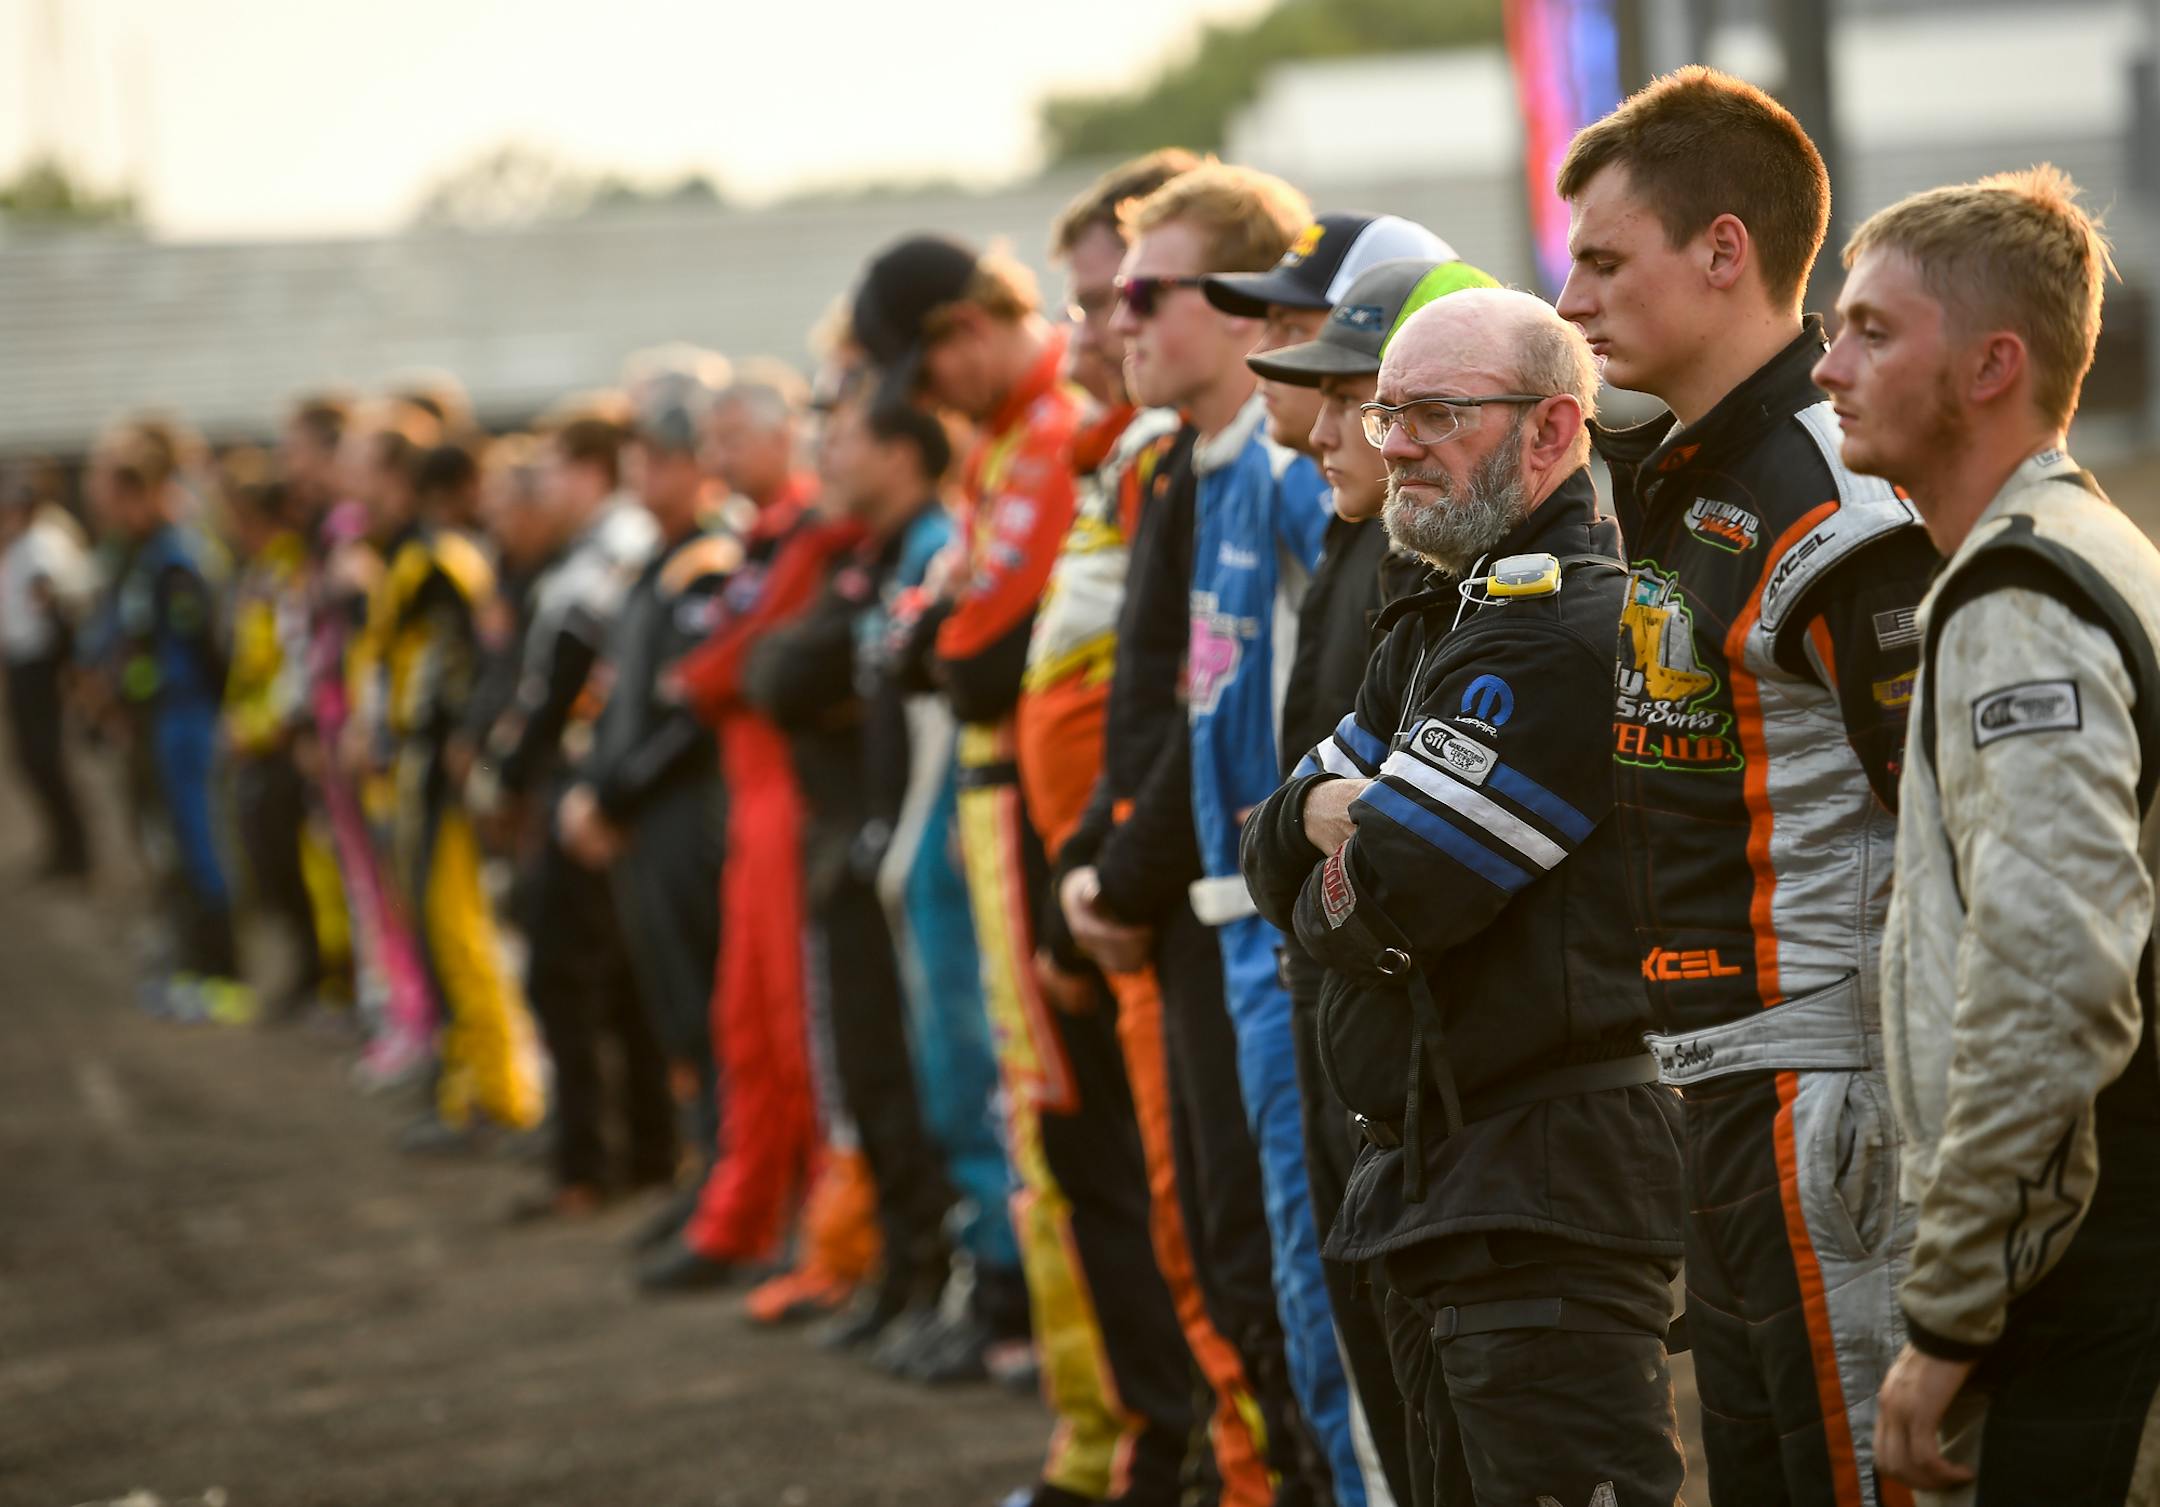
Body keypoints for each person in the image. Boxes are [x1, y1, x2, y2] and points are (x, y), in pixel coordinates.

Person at [1555, 67, 1939, 1506]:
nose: (1574, 301)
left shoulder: (1837, 490)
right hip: (1717, 1089)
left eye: (1606, 261)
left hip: (1833, 1091)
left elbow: (1951, 833)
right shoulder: (1679, 465)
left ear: (1725, 249)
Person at [1242, 289, 1686, 1506]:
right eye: (1385, 413)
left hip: (1544, 1194)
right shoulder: (1443, 614)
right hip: (1445, 1191)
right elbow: (1270, 846)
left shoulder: (1559, 630)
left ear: (1553, 429)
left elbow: (1379, 901)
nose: (1393, 444)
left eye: (1435, 413)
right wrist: (1317, 824)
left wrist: (1335, 845)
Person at [1814, 166, 2160, 1505]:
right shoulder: (2069, 545)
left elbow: (2052, 982)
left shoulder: (2025, 592)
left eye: (1873, 331)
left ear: (1992, 364)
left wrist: (1952, 1313)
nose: (1830, 365)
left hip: (2067, 1247)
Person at [851, 229, 1183, 1507]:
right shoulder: (1009, 442)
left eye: (1115, 306)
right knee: (1048, 1133)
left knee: (1093, 1143)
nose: (926, 399)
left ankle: (1146, 1446)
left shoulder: (1052, 434)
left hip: (1063, 833)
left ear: (963, 327)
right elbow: (925, 640)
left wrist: (934, 638)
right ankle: (1107, 1441)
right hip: (1010, 815)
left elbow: (976, 657)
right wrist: (934, 637)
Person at [1026, 150, 1283, 1506]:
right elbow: (1144, 700)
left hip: (1245, 915)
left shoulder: (1288, 471)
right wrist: (1089, 864)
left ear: (1244, 307)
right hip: (1169, 907)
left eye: (1142, 293)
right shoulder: (1176, 466)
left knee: (1265, 1249)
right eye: (1107, 297)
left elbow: (1226, 718)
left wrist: (1114, 874)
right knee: (1219, 1239)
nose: (1113, 321)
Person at [1240, 252, 1499, 1507]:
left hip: (1459, 1064)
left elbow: (1400, 859)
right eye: (1350, 402)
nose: (1340, 432)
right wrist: (1308, 828)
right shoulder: (1384, 559)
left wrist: (1315, 838)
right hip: (1349, 1003)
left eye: (1372, 401)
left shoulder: (1479, 586)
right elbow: (1288, 821)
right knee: (1360, 1318)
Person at [642, 365, 839, 1293]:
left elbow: (733, 665)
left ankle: (820, 1232)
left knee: (796, 1027)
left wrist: (702, 676)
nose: (714, 457)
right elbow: (730, 658)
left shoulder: (812, 530)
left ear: (782, 434)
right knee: (744, 1023)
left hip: (788, 801)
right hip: (751, 801)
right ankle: (744, 1216)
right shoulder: (759, 539)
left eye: (729, 438)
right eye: (709, 440)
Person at [475, 408, 676, 1220]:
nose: (542, 483)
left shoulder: (611, 550)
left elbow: (573, 686)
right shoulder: (602, 548)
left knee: (570, 977)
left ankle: (591, 1164)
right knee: (615, 980)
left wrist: (518, 776)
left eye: (554, 467)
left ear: (592, 471)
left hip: (596, 792)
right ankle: (637, 1154)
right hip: (599, 788)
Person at [563, 372, 733, 1255]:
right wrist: (592, 787)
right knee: (671, 1006)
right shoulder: (653, 564)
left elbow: (686, 714)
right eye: (637, 457)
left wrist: (612, 793)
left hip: (685, 821)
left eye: (661, 458)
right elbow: (615, 698)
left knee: (702, 1005)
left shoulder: (710, 561)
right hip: (642, 821)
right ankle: (706, 1172)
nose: (643, 474)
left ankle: (728, 1178)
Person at [342, 400, 541, 1146]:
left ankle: (498, 1091)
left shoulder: (444, 562)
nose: (353, 488)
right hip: (411, 769)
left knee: (461, 931)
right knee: (434, 930)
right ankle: (464, 1084)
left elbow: (483, 669)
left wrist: (470, 754)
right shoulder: (403, 559)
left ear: (403, 479)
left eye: (366, 471)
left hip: (440, 775)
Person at [87, 419, 249, 1021]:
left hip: (187, 722)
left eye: (114, 490)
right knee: (170, 847)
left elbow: (207, 650)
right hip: (158, 722)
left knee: (201, 845)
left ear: (145, 490)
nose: (105, 505)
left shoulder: (180, 557)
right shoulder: (141, 554)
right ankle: (190, 964)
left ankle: (224, 975)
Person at [219, 463, 326, 1017]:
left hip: (283, 744)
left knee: (297, 865)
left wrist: (268, 727)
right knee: (269, 862)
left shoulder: (290, 571)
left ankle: (320, 973)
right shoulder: (258, 571)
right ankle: (306, 970)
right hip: (258, 741)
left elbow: (297, 664)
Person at [1, 466, 94, 880]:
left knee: (44, 756)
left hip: (41, 664)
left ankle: (75, 848)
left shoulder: (43, 545)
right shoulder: (19, 544)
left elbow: (59, 607)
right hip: (23, 662)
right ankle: (63, 844)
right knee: (31, 757)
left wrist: (69, 668)